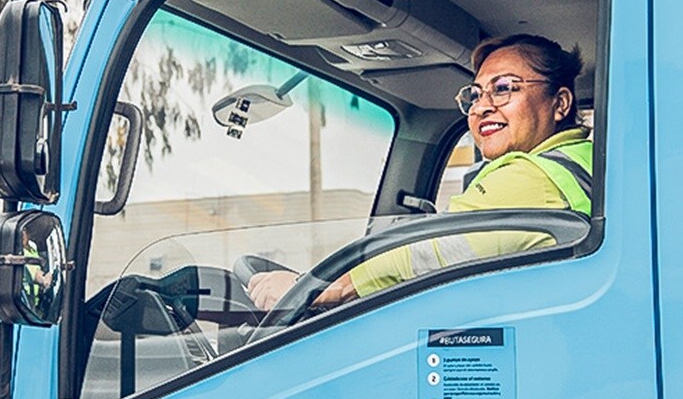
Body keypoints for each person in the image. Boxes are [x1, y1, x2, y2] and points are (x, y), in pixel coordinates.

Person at [248, 34, 592, 310]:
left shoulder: (533, 175)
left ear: (560, 103)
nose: (482, 107)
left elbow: (434, 250)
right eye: (475, 95)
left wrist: (322, 288)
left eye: (504, 88)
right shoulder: (578, 162)